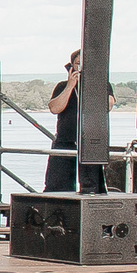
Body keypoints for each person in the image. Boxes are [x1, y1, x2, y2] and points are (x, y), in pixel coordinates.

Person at [46, 48, 84, 192]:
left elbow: (109, 104)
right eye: (78, 64)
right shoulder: (62, 86)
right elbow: (55, 108)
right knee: (57, 185)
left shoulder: (101, 86)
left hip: (90, 145)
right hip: (65, 142)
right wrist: (70, 86)